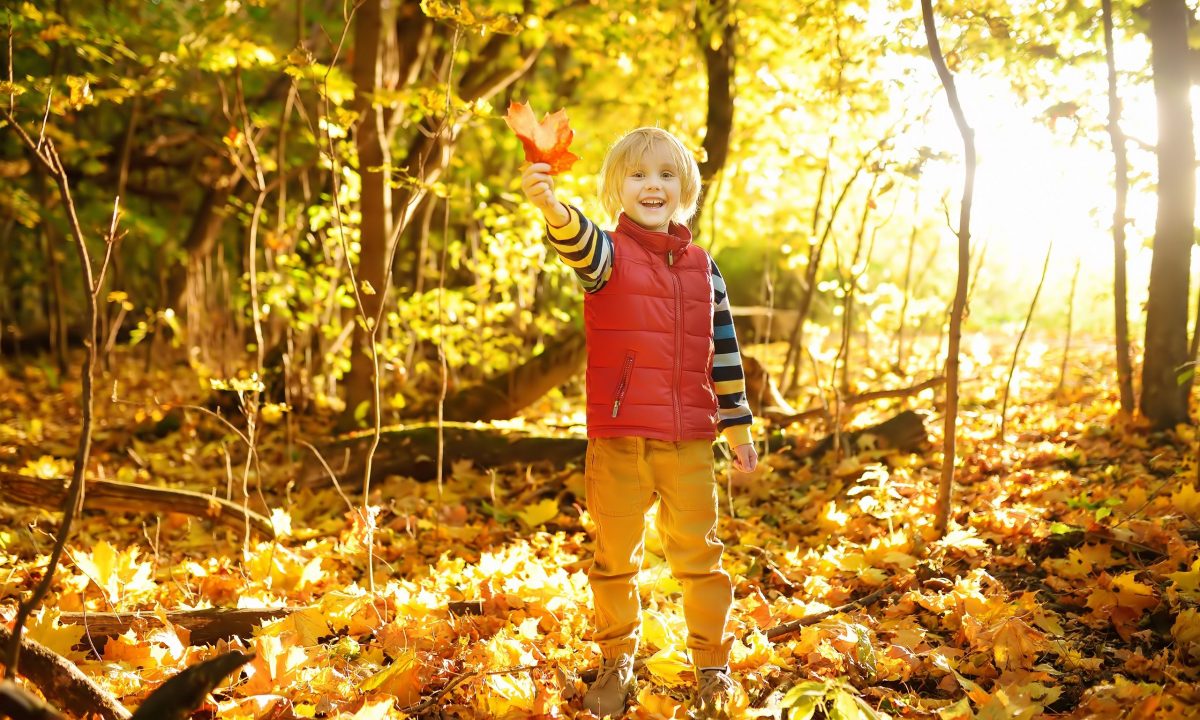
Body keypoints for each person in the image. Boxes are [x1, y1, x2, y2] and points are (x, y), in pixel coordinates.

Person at [520, 126, 758, 718]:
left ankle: (713, 668)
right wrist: (552, 206)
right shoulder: (607, 255)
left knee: (699, 556)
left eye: (666, 175)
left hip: (691, 440)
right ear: (615, 190)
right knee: (616, 555)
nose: (653, 186)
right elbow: (577, 243)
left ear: (685, 188)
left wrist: (738, 425)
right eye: (638, 175)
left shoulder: (706, 269)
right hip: (621, 437)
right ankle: (617, 658)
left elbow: (724, 351)